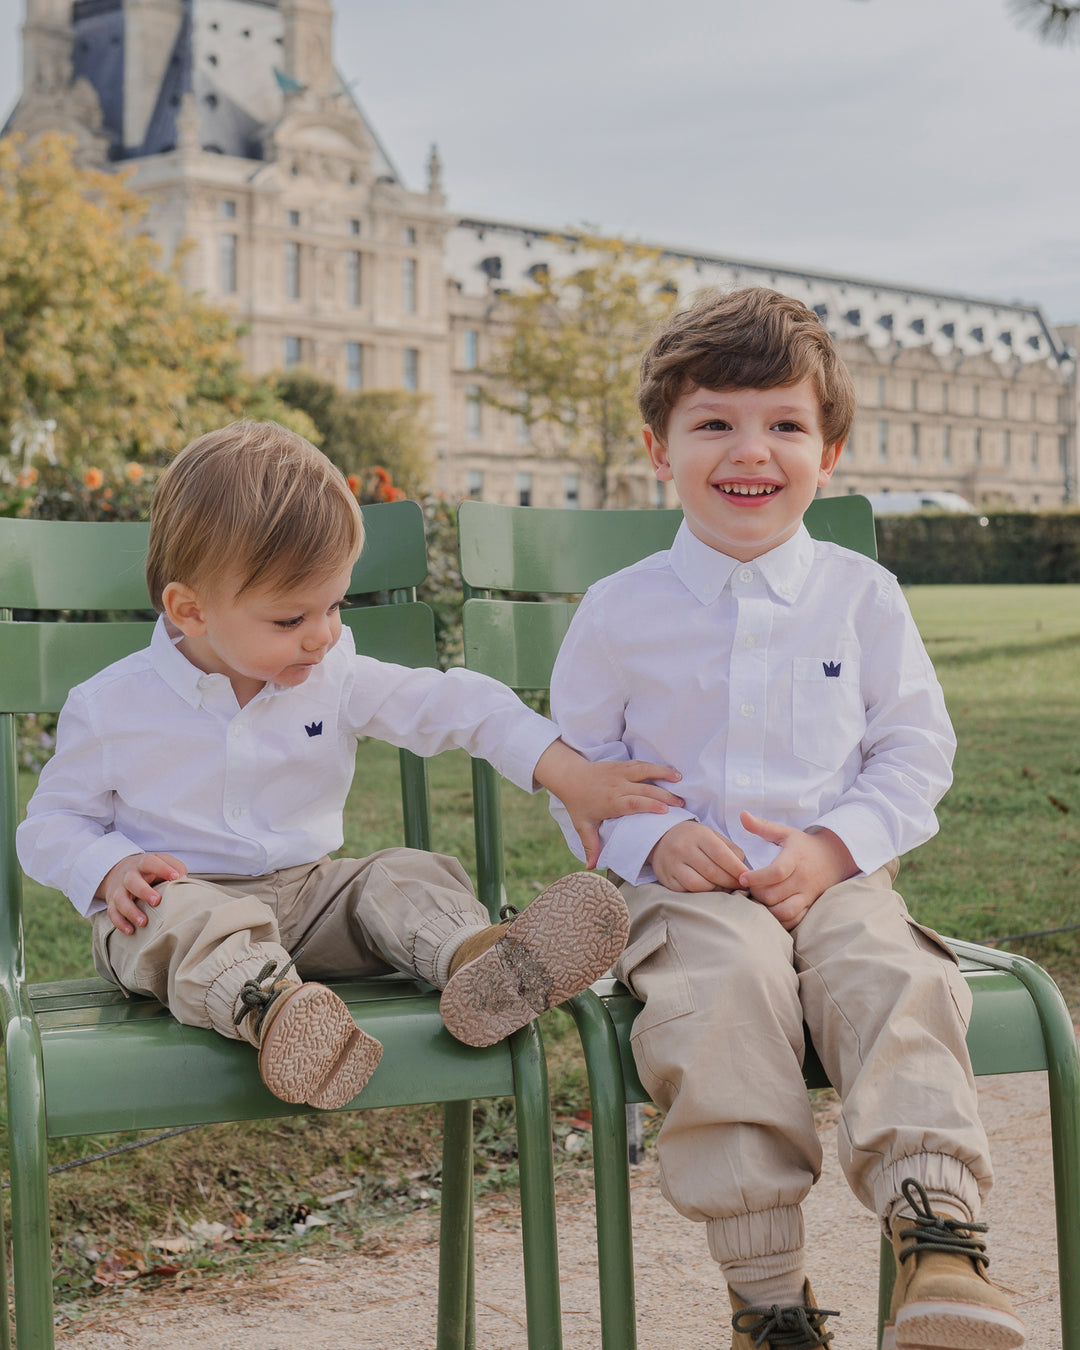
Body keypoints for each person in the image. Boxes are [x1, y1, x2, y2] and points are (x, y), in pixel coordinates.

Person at [548, 288, 1025, 1350]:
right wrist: (650, 839)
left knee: (893, 974)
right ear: (658, 446)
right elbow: (577, 771)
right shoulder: (621, 610)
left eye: (784, 425)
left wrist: (835, 845)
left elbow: (916, 750)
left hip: (842, 880)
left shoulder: (862, 596)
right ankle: (768, 1301)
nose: (748, 451)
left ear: (831, 450)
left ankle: (938, 1239)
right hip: (690, 895)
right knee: (726, 992)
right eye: (714, 422)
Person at [17, 421, 685, 1114]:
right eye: (290, 619)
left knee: (402, 874)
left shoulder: (329, 673)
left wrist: (565, 771)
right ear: (191, 611)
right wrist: (106, 868)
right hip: (175, 911)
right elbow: (49, 826)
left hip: (308, 900)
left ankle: (478, 960)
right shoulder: (111, 707)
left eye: (334, 604)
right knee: (179, 922)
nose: (324, 633)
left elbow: (453, 705)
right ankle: (275, 1013)